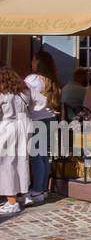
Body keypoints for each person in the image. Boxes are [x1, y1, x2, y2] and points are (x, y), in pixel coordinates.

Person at [23, 51, 60, 205]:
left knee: (36, 156)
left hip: (37, 119)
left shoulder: (32, 79)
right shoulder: (52, 80)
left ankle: (37, 190)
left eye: (33, 60)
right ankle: (42, 189)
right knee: (43, 155)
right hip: (50, 118)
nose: (31, 62)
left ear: (38, 62)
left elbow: (23, 95)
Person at [0, 66, 33, 215]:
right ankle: (22, 194)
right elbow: (41, 102)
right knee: (21, 161)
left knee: (7, 164)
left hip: (8, 127)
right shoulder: (25, 91)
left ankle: (12, 201)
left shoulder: (3, 94)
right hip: (25, 126)